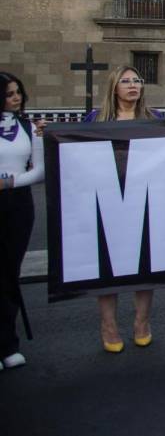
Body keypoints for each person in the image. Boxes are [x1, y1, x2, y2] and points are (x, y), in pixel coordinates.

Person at [85, 66, 161, 352]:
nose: (133, 85)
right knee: (107, 266)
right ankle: (109, 325)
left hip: (146, 199)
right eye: (126, 81)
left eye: (137, 80)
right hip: (106, 199)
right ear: (113, 87)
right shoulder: (95, 120)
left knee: (145, 264)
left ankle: (142, 322)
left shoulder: (154, 119)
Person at [0, 72, 43, 370]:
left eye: (18, 92)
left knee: (9, 273)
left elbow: (39, 171)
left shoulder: (28, 127)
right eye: (9, 93)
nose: (16, 98)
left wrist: (10, 182)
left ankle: (7, 342)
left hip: (18, 205)